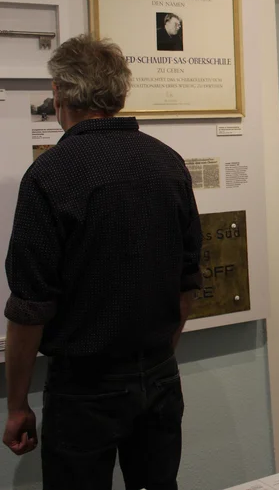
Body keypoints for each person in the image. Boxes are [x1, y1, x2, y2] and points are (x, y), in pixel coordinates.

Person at [3, 35, 202, 490]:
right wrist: (155, 360)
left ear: (58, 93)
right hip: (159, 377)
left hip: (84, 389)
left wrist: (17, 405)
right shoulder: (167, 164)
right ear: (119, 92)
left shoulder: (50, 176)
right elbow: (187, 284)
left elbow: (29, 308)